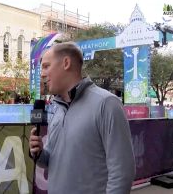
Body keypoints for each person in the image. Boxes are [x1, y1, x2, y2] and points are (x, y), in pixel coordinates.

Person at [29, 42, 135, 193]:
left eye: (46, 66)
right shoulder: (57, 109)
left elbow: (122, 172)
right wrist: (39, 153)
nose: (42, 74)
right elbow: (50, 161)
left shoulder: (107, 104)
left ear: (66, 63)